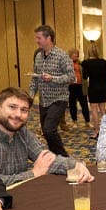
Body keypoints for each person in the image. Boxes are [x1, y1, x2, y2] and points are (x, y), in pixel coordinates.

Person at [0, 87, 94, 187]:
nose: (18, 114)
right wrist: (33, 173)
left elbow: (47, 159)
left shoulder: (21, 132)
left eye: (24, 110)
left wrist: (75, 165)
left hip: (15, 197)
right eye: (12, 107)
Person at [28, 25, 74, 157]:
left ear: (49, 38)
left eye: (39, 38)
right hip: (44, 100)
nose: (37, 40)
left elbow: (71, 77)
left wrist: (52, 78)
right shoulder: (38, 56)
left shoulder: (62, 56)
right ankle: (56, 158)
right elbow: (35, 77)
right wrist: (30, 96)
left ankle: (63, 156)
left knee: (49, 129)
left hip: (59, 98)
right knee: (46, 131)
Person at [82, 43, 106, 139]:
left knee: (94, 109)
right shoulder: (103, 62)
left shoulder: (86, 63)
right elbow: (105, 76)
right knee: (102, 109)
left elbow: (85, 77)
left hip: (93, 87)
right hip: (103, 87)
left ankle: (97, 131)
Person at [67, 48, 90, 127]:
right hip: (71, 86)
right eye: (74, 53)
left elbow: (85, 74)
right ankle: (74, 121)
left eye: (77, 54)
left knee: (84, 104)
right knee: (72, 104)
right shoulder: (67, 64)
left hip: (81, 86)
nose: (76, 55)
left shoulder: (81, 63)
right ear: (70, 55)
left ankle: (87, 121)